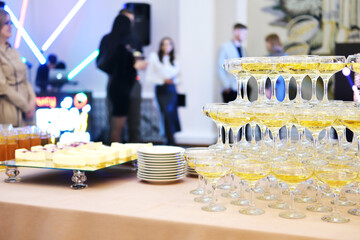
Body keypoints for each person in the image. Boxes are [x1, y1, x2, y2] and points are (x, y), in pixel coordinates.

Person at [100, 14, 146, 143]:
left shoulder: (112, 41)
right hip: (123, 84)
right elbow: (137, 63)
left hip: (118, 84)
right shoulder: (122, 42)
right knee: (123, 124)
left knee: (117, 124)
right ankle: (129, 158)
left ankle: (117, 158)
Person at [0, 9, 36, 127]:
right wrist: (25, 106)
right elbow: (3, 87)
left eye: (11, 23)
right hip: (9, 111)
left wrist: (32, 101)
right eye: (7, 23)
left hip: (27, 113)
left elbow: (25, 79)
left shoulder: (14, 51)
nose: (10, 26)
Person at [146, 37, 181, 145]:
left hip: (171, 90)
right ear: (161, 46)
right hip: (161, 89)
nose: (167, 47)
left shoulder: (174, 59)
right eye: (164, 44)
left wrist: (174, 81)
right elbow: (149, 77)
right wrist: (163, 80)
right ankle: (168, 138)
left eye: (169, 44)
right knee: (165, 113)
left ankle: (172, 138)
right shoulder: (155, 58)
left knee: (172, 113)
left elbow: (180, 77)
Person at [119, 8, 143, 143]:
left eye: (132, 21)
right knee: (117, 122)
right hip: (117, 83)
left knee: (134, 121)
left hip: (133, 83)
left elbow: (139, 59)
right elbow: (102, 63)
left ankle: (135, 158)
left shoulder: (136, 40)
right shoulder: (110, 39)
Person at [217, 23, 248, 103]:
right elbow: (220, 67)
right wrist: (226, 86)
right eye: (243, 33)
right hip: (230, 88)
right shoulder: (225, 47)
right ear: (236, 32)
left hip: (241, 87)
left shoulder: (242, 48)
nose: (245, 36)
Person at [265, 33, 287, 101]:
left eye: (267, 42)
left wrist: (267, 88)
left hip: (279, 84)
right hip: (276, 84)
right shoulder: (285, 55)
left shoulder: (281, 56)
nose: (266, 45)